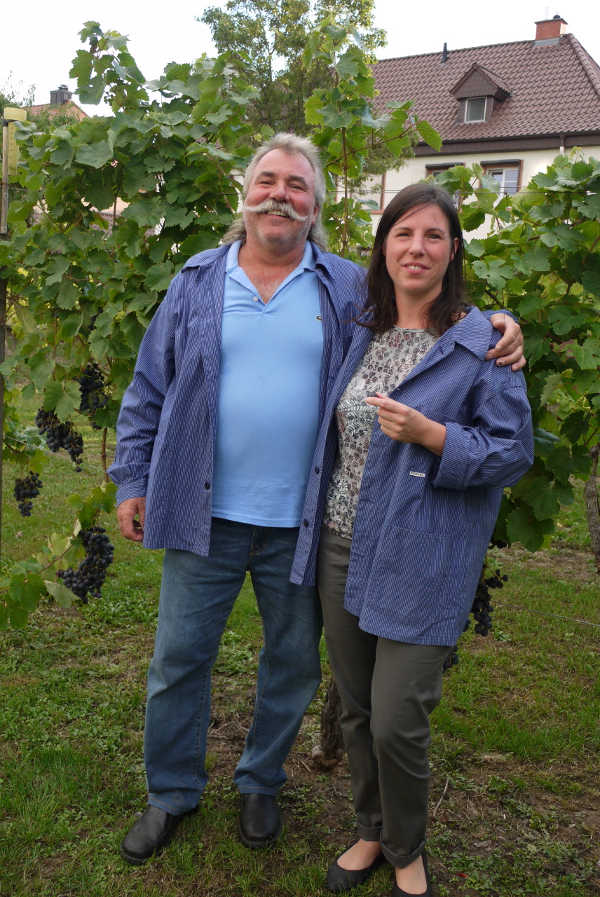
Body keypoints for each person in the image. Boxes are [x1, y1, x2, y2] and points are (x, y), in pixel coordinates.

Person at [109, 136, 525, 866]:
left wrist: (498, 325)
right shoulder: (197, 280)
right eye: (266, 181)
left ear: (317, 205)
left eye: (297, 186)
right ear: (245, 194)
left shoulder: (343, 288)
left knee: (293, 663)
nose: (280, 195)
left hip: (303, 523)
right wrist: (133, 476)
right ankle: (171, 792)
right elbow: (149, 386)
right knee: (178, 658)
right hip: (200, 511)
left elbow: (427, 317)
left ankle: (260, 781)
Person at [290, 183, 533, 896]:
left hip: (421, 556)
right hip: (340, 542)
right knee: (360, 707)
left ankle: (408, 847)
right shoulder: (358, 328)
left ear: (453, 249)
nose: (416, 248)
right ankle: (371, 831)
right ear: (384, 246)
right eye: (403, 234)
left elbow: (512, 451)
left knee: (399, 718)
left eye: (432, 235)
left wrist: (435, 435)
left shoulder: (477, 342)